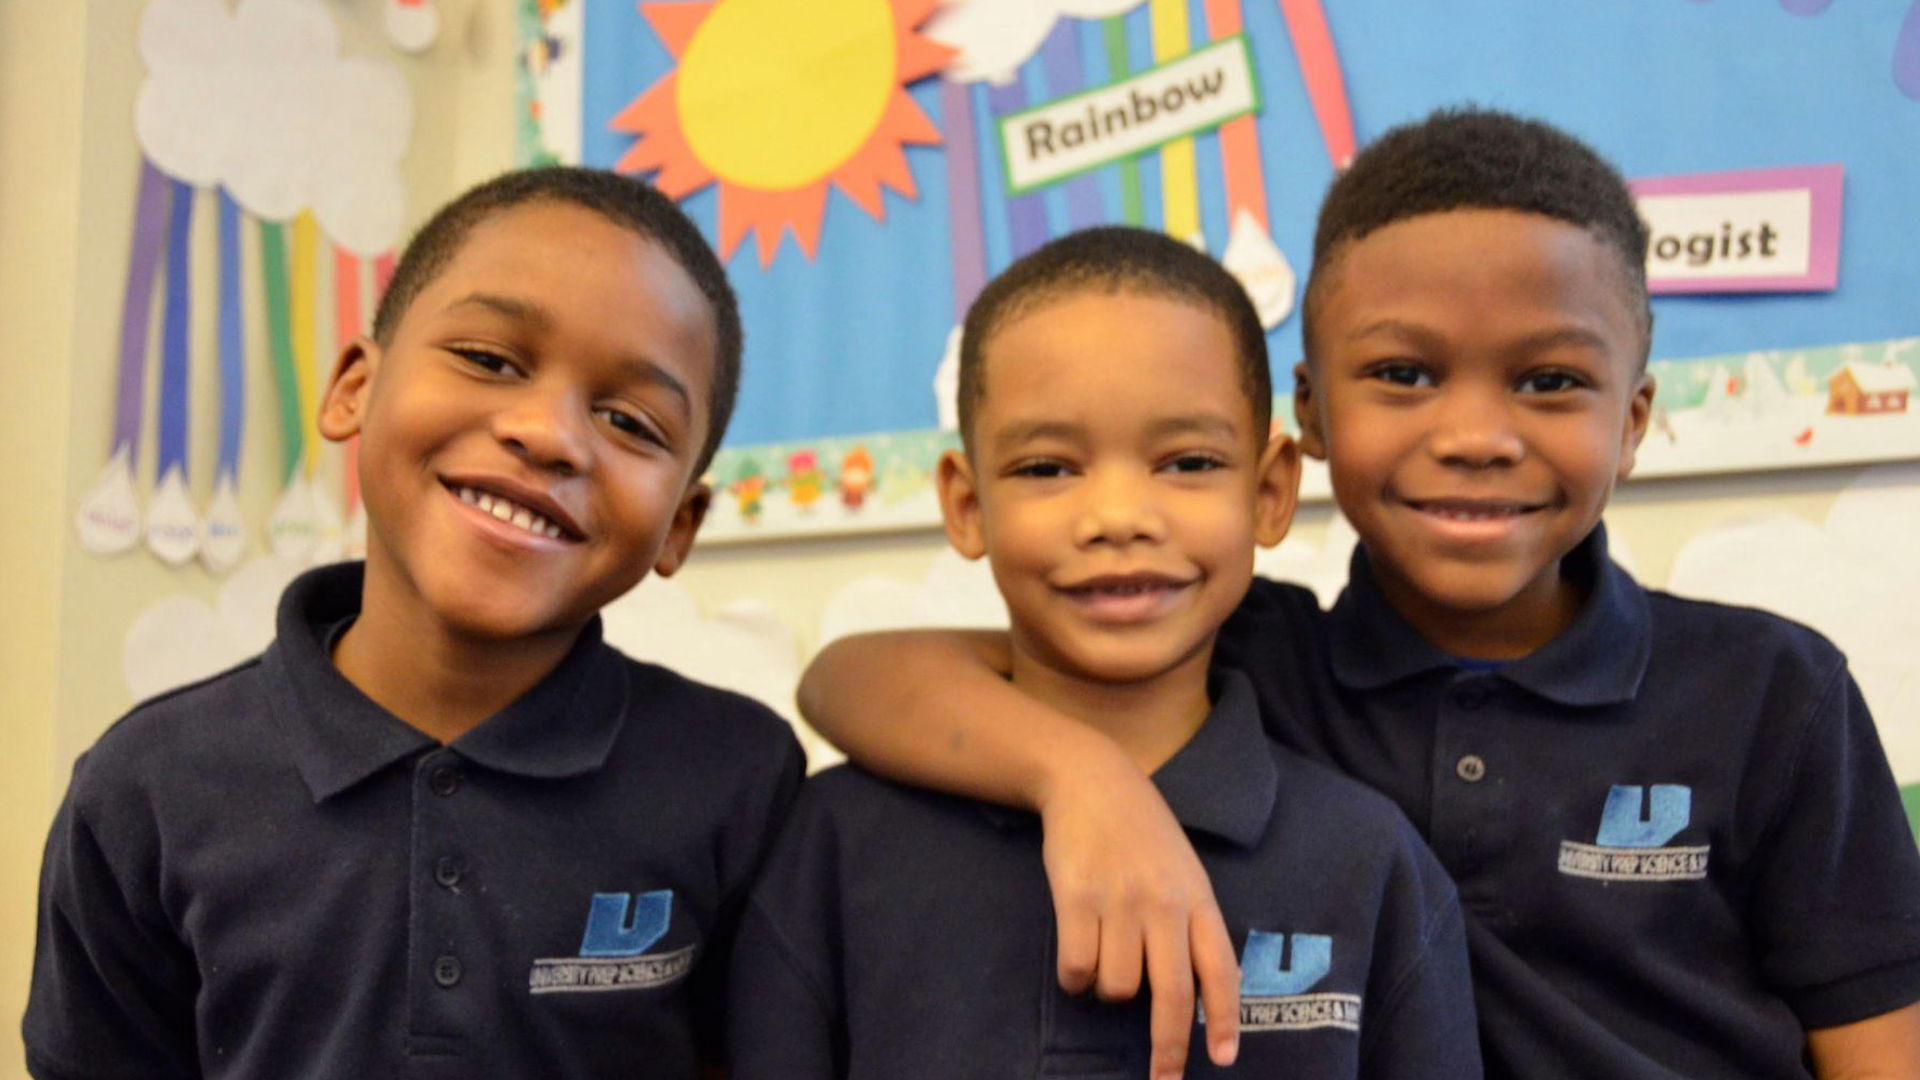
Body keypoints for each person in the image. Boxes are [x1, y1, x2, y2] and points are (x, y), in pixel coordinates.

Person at [797, 109, 1920, 1078]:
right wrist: (1079, 775)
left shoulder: (1772, 692)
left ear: (1631, 423)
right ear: (1313, 419)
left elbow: (1879, 1047)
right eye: (1405, 375)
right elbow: (857, 677)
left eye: (1551, 381)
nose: (1475, 437)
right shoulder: (1252, 655)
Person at [25, 167, 804, 1079]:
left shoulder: (738, 775)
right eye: (488, 359)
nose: (549, 433)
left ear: (680, 525)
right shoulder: (146, 788)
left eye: (630, 419)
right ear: (355, 386)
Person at [729, 226, 1482, 1080]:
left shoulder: (1366, 860)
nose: (1118, 515)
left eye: (1188, 461)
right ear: (968, 505)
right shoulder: (836, 845)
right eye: (1048, 469)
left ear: (1270, 492)